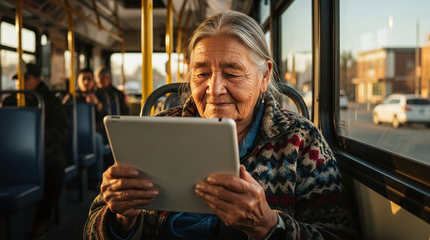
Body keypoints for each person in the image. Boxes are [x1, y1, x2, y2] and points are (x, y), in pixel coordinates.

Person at [84, 11, 358, 240]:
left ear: (264, 77)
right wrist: (120, 218)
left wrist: (268, 225)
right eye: (202, 73)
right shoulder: (157, 130)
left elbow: (337, 234)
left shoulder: (301, 142)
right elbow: (91, 229)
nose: (214, 89)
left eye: (232, 73)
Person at [4, 63, 70, 239]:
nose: (21, 83)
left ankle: (42, 218)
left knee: (54, 168)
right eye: (19, 80)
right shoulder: (10, 100)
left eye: (26, 79)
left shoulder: (51, 102)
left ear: (38, 79)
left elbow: (61, 131)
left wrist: (35, 142)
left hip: (45, 151)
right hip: (12, 152)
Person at [77, 68, 109, 187]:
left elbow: (107, 114)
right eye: (83, 79)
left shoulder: (101, 95)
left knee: (96, 140)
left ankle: (95, 178)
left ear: (93, 81)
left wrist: (97, 104)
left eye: (89, 79)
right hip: (76, 132)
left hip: (95, 131)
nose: (86, 82)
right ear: (78, 81)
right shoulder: (73, 96)